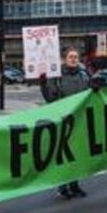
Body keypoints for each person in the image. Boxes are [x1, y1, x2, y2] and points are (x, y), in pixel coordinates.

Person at [40, 47, 92, 199]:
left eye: (76, 57)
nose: (73, 59)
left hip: (79, 120)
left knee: (77, 154)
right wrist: (43, 84)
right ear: (64, 59)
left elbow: (89, 93)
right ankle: (63, 186)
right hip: (63, 121)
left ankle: (75, 185)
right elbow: (50, 98)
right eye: (71, 57)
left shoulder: (84, 75)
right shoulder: (56, 76)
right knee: (64, 155)